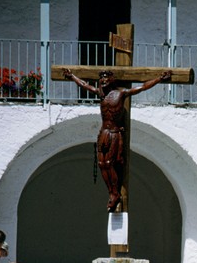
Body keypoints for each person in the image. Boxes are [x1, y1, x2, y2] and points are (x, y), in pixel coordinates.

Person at [63, 68, 172, 211]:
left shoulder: (121, 93)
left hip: (114, 133)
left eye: (106, 78)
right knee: (102, 164)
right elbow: (84, 85)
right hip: (104, 132)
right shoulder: (100, 94)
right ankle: (112, 192)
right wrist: (72, 76)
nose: (103, 81)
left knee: (109, 162)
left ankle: (115, 193)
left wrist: (159, 79)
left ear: (112, 79)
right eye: (101, 78)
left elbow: (142, 87)